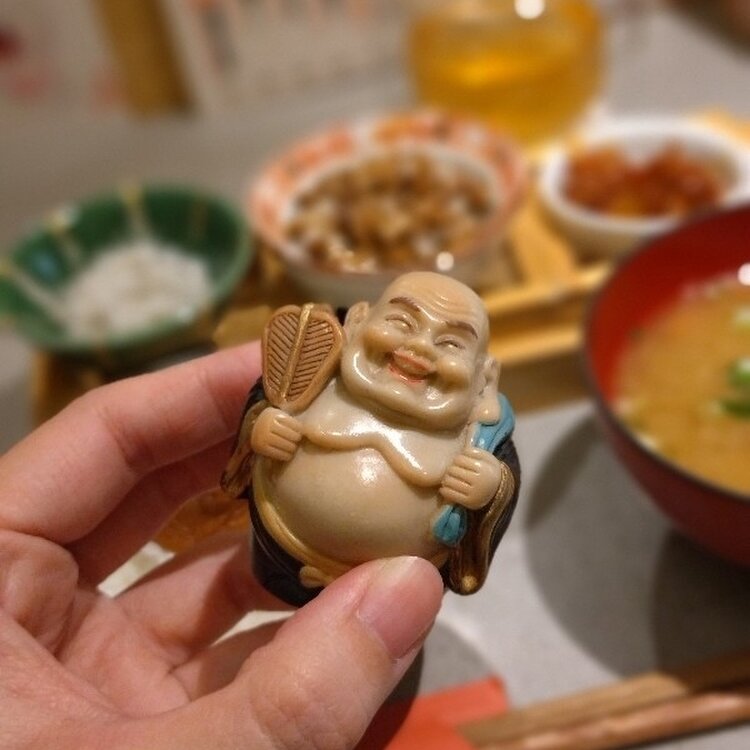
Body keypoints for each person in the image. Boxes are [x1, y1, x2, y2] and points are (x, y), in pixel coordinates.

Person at [0, 341, 443, 749]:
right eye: (402, 323)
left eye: (450, 343)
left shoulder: (468, 426)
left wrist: (477, 485)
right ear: (360, 318)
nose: (419, 346)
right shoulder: (324, 378)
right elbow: (256, 421)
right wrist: (263, 428)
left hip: (388, 570)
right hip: (282, 540)